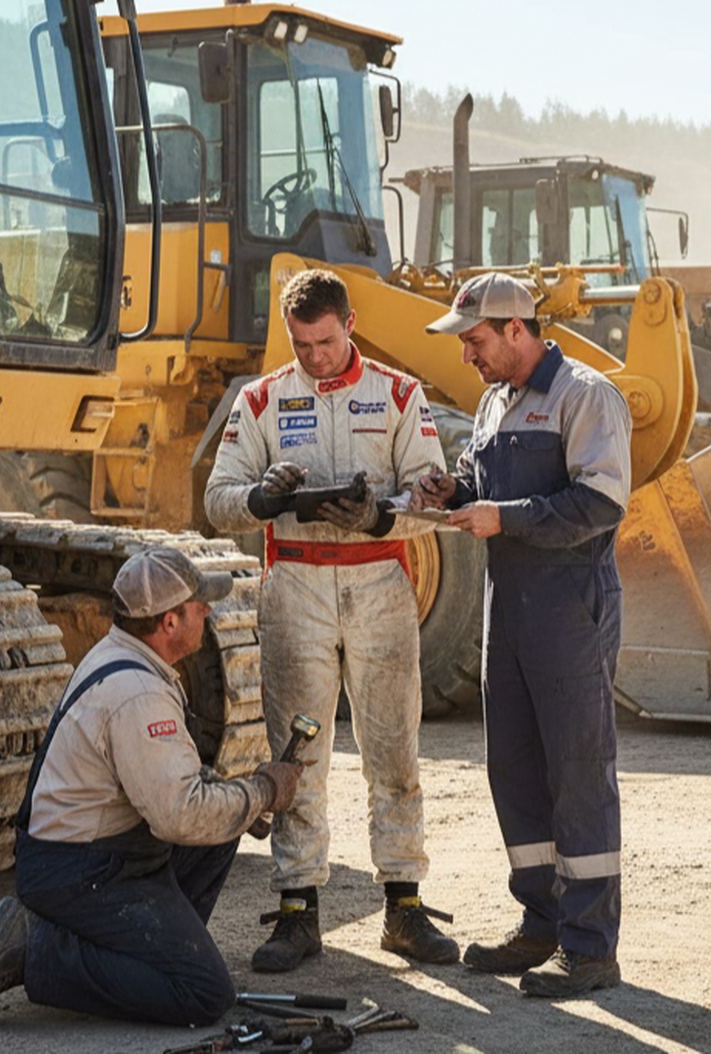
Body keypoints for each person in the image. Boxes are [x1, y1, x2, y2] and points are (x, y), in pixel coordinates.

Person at [204, 268, 456, 973]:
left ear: (349, 324)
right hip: (296, 588)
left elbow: (434, 498)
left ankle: (403, 907)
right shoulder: (261, 399)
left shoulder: (400, 394)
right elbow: (216, 498)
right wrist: (259, 499)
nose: (314, 356)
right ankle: (297, 912)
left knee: (393, 748)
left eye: (324, 340)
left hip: (380, 584)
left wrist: (380, 514)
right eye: (301, 343)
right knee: (299, 753)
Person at [0, 547, 304, 1028]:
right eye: (198, 605)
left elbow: (173, 791)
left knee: (222, 825)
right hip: (78, 870)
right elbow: (178, 816)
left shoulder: (124, 654)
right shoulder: (138, 694)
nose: (207, 611)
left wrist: (239, 805)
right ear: (168, 623)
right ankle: (36, 950)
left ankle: (149, 955)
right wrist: (264, 791)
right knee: (204, 993)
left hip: (87, 850)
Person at [413, 272, 633, 998]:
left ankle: (591, 949)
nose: (468, 355)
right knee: (512, 769)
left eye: (475, 340)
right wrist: (457, 494)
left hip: (570, 610)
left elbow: (599, 503)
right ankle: (540, 924)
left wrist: (503, 517)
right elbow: (487, 491)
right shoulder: (492, 402)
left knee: (578, 773)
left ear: (516, 330)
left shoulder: (585, 395)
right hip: (508, 612)